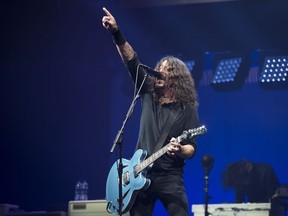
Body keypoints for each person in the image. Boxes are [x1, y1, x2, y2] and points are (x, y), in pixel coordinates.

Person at [102, 7, 200, 216]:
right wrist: (116, 33)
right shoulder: (147, 91)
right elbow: (131, 61)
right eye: (160, 66)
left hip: (170, 177)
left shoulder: (186, 109)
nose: (160, 70)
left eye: (166, 68)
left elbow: (191, 147)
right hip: (138, 173)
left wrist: (179, 150)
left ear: (176, 78)